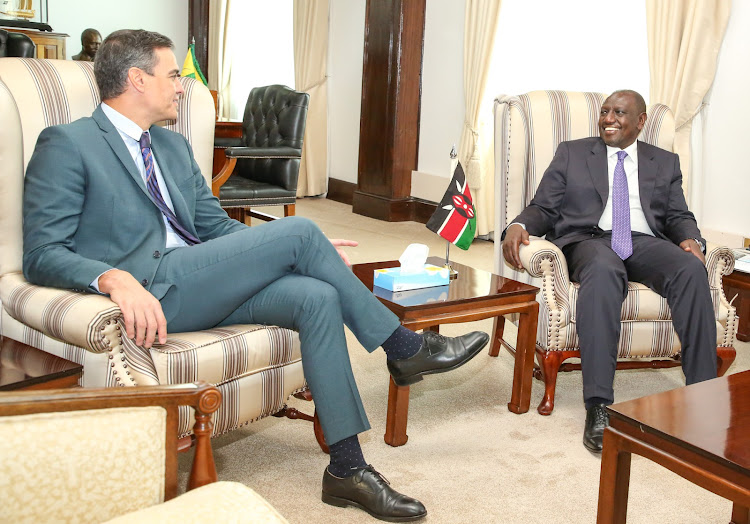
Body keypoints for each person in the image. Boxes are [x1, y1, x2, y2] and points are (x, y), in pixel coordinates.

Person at [23, 29, 489, 521]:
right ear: (137, 79)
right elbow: (40, 252)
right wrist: (114, 279)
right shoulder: (68, 143)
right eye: (173, 75)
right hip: (156, 292)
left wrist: (293, 252)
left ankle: (347, 470)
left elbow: (214, 226)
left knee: (315, 295)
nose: (182, 86)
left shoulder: (174, 147)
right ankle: (404, 348)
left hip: (204, 280)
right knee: (300, 232)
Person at [501, 89, 716, 453]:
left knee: (690, 270)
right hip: (589, 240)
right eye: (605, 112)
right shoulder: (572, 153)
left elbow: (678, 215)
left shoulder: (664, 161)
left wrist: (691, 240)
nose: (609, 119)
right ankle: (599, 405)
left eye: (619, 112)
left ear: (641, 121)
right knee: (603, 272)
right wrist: (519, 224)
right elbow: (544, 206)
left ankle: (703, 399)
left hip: (643, 241)